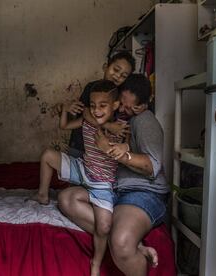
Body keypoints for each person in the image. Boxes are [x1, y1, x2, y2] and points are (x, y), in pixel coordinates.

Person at [58, 74, 169, 276]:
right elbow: (90, 114)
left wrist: (109, 151)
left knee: (121, 242)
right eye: (122, 105)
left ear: (143, 106)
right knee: (66, 199)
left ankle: (130, 247)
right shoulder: (116, 118)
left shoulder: (143, 120)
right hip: (115, 190)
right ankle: (139, 248)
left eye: (131, 107)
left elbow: (151, 167)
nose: (125, 110)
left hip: (142, 191)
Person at [32, 80, 127, 276]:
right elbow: (64, 125)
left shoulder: (122, 128)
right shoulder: (87, 120)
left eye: (103, 106)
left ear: (115, 105)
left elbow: (126, 151)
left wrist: (115, 142)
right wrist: (65, 109)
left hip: (103, 184)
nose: (96, 111)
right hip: (83, 169)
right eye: (92, 106)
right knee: (48, 155)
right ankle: (42, 195)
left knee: (103, 226)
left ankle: (96, 263)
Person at [68, 51, 136, 158]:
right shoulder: (91, 87)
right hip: (80, 144)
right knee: (72, 171)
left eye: (123, 76)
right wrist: (108, 126)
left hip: (102, 153)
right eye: (116, 70)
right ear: (106, 67)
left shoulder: (120, 94)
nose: (117, 76)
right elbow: (85, 112)